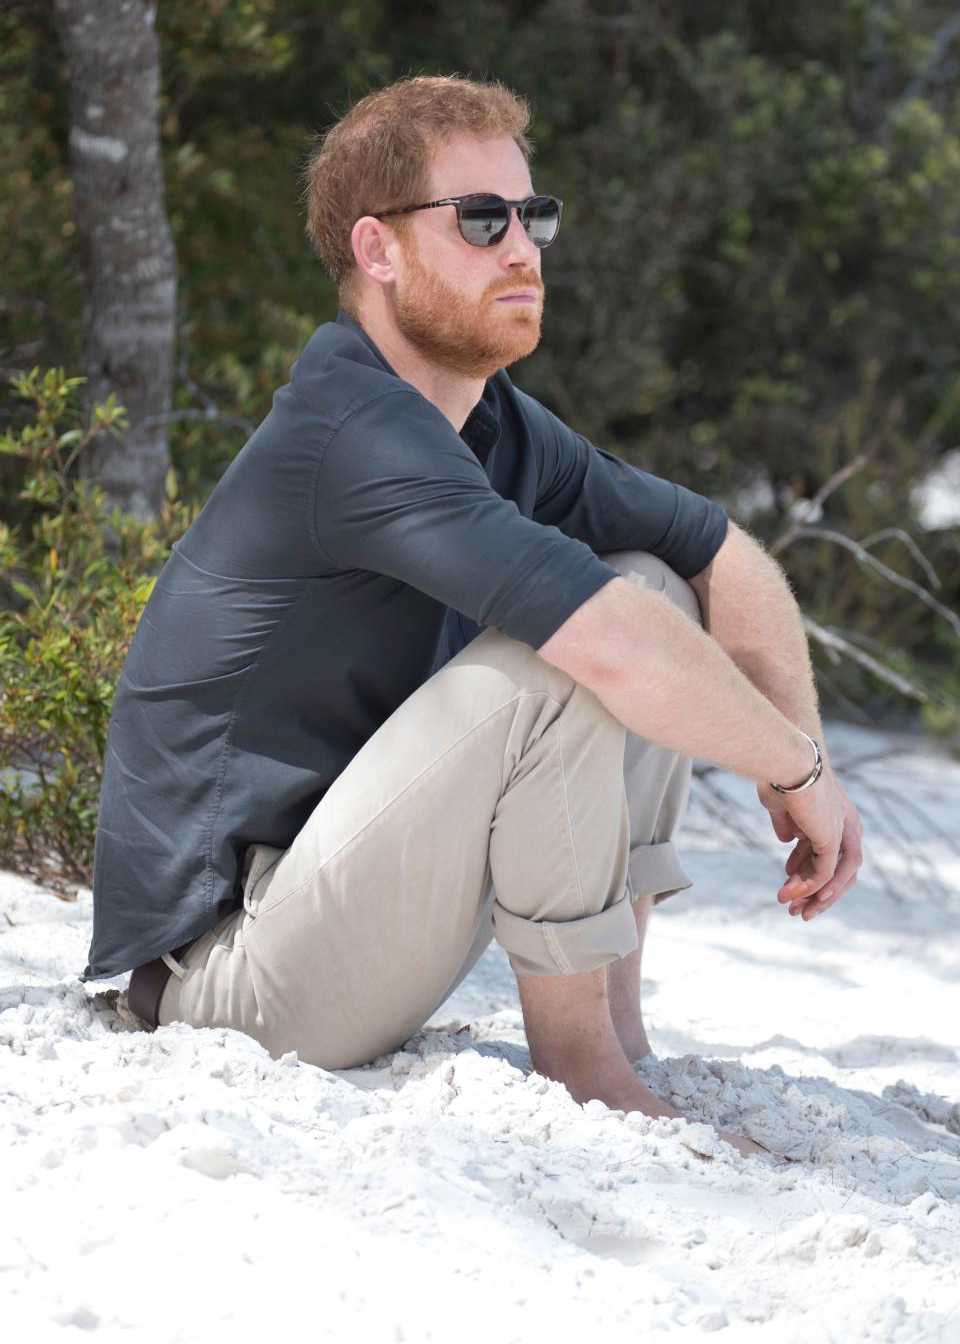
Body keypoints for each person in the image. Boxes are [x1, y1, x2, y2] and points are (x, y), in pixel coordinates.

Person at [82, 74, 863, 1158]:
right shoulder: (353, 432)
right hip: (231, 984)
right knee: (582, 652)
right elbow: (615, 652)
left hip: (342, 925)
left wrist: (804, 744)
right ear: (378, 250)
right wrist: (796, 774)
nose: (523, 248)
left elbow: (719, 553)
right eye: (480, 219)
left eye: (532, 216)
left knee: (648, 577)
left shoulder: (490, 422)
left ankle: (618, 1041)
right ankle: (584, 1067)